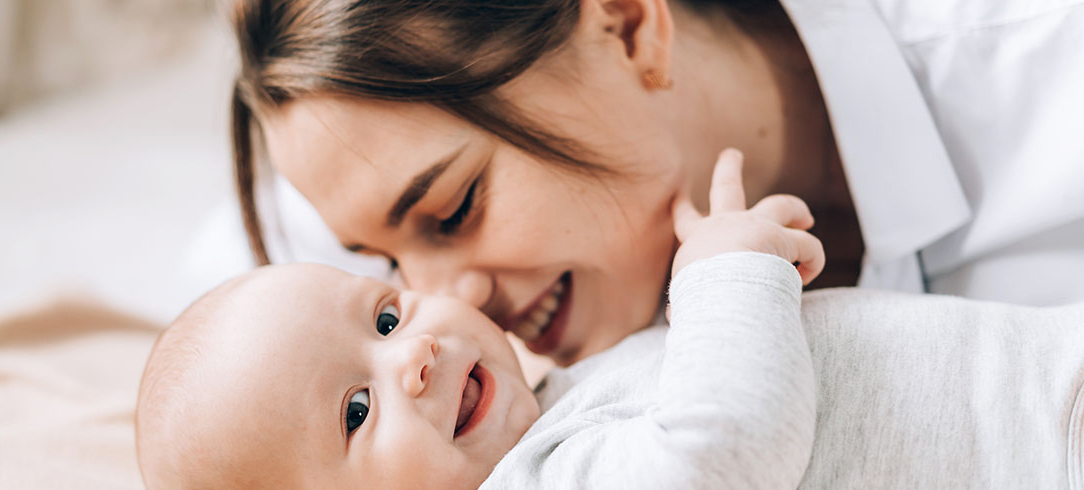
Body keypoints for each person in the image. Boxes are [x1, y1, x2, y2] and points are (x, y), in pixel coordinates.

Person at [226, 0, 1084, 367]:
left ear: (629, 26)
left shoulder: (1047, 67)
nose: (450, 310)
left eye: (454, 211)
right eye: (387, 266)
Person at [136, 159, 1084, 489]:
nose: (413, 358)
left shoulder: (552, 414)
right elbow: (721, 449)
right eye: (355, 410)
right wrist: (723, 277)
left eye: (384, 317)